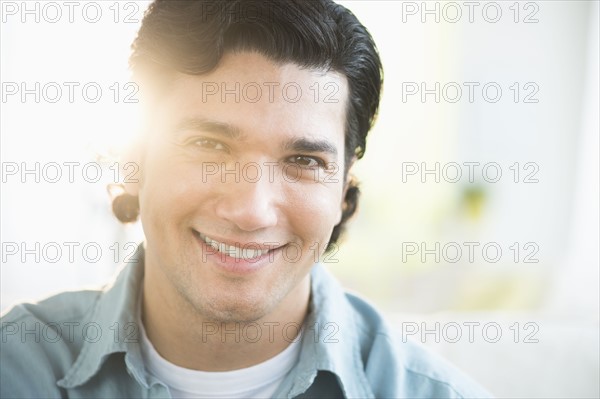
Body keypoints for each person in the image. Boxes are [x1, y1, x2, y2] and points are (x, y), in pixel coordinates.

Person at [1, 1, 492, 397]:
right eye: (209, 145)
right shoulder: (18, 368)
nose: (252, 211)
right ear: (135, 160)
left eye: (303, 161)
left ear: (342, 195)